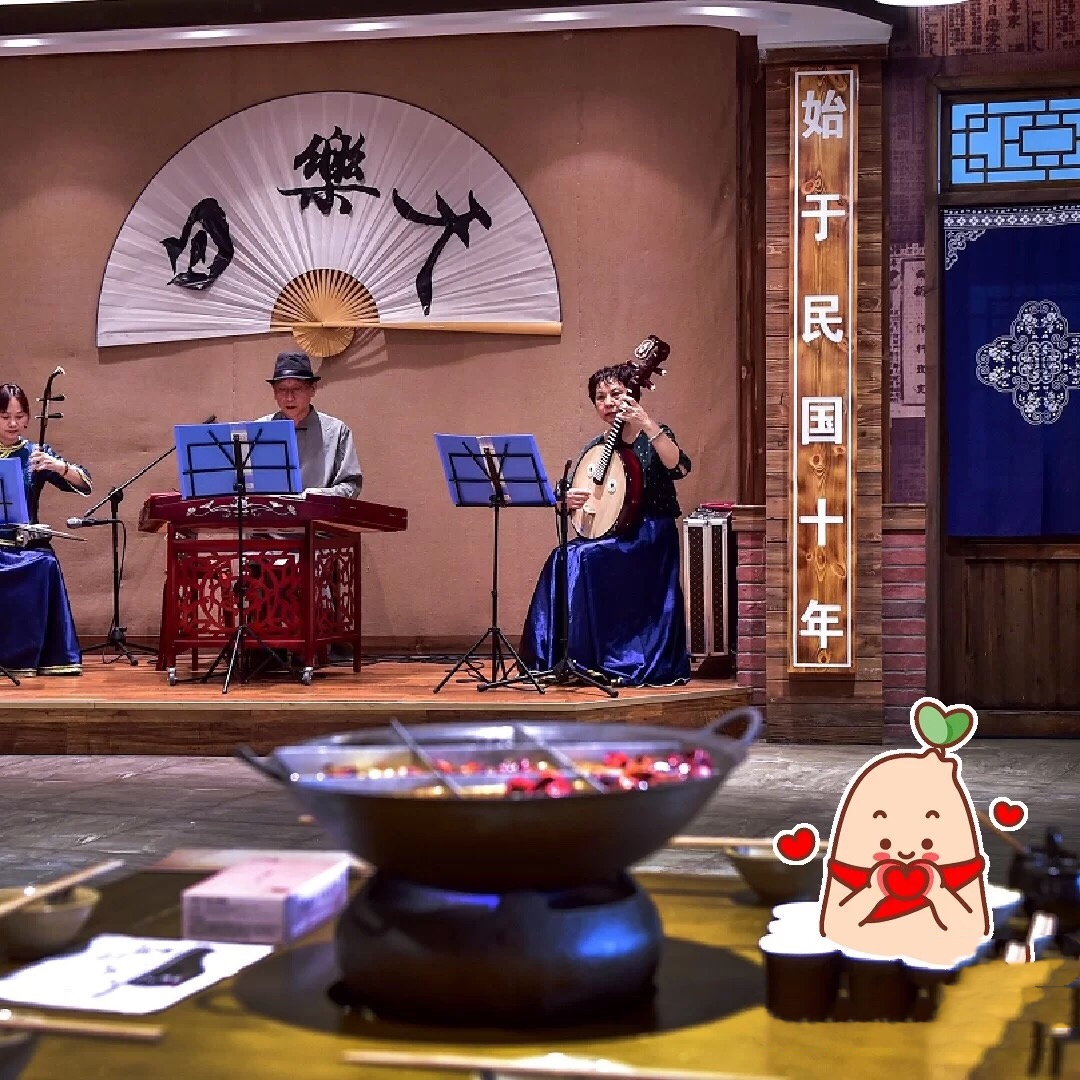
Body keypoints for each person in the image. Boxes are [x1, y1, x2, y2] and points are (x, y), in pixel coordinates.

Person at [519, 362, 692, 687]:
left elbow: (679, 467)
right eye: (600, 397)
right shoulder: (596, 449)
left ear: (632, 394)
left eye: (615, 393)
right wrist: (567, 501)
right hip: (613, 535)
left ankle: (606, 658)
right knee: (562, 557)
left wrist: (647, 423)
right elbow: (583, 497)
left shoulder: (653, 435)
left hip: (649, 536)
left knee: (584, 558)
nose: (608, 402)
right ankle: (563, 659)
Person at [0, 382, 92, 676]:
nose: (13, 423)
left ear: (28, 418)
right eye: (4, 417)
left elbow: (85, 483)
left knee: (45, 564)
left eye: (19, 416)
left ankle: (36, 656)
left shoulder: (35, 453)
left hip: (25, 544)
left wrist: (56, 466)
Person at [257, 352, 362, 498]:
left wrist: (320, 495)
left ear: (312, 389)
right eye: (282, 390)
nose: (289, 397)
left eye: (297, 389)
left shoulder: (337, 431)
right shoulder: (259, 430)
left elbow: (351, 485)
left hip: (318, 511)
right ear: (274, 393)